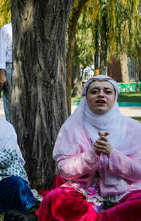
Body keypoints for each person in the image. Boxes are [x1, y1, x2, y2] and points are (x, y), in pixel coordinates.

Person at [37, 75, 141, 220]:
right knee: (55, 199)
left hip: (126, 189)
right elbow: (65, 171)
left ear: (115, 96)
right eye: (94, 91)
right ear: (86, 97)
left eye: (107, 91)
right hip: (84, 190)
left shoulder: (134, 128)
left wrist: (112, 153)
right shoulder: (72, 127)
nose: (101, 95)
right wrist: (92, 154)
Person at [0, 23, 12, 122]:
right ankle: (10, 128)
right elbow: (2, 51)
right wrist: (2, 73)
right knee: (10, 102)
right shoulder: (6, 29)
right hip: (10, 66)